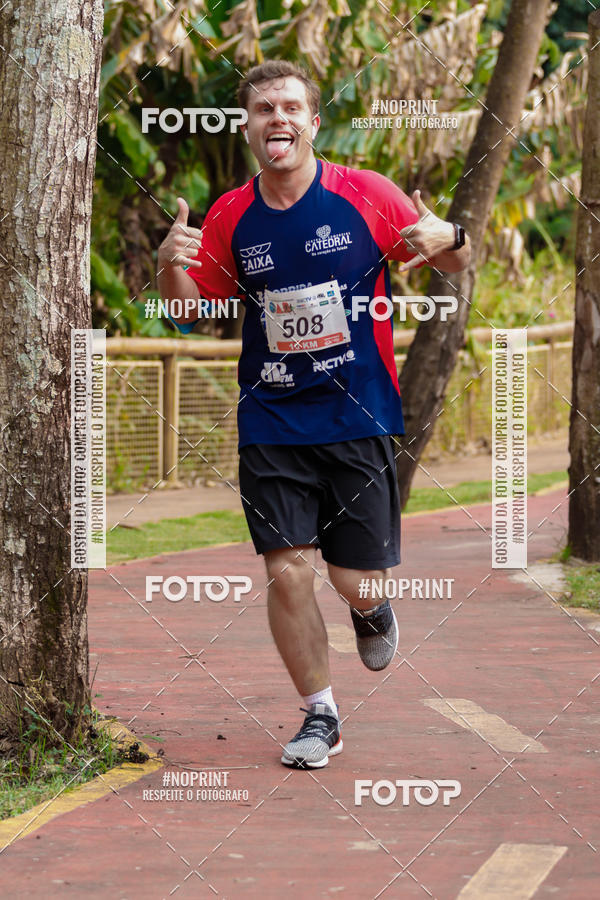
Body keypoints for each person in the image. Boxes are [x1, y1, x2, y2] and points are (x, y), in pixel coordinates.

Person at [157, 59, 471, 769]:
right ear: (247, 126)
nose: (279, 119)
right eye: (265, 109)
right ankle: (319, 715)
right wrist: (169, 261)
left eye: (291, 108)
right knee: (287, 569)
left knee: (353, 580)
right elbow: (185, 310)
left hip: (356, 414)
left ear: (313, 122)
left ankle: (370, 608)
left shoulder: (366, 194)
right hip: (271, 417)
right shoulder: (231, 215)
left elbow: (454, 262)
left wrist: (446, 237)